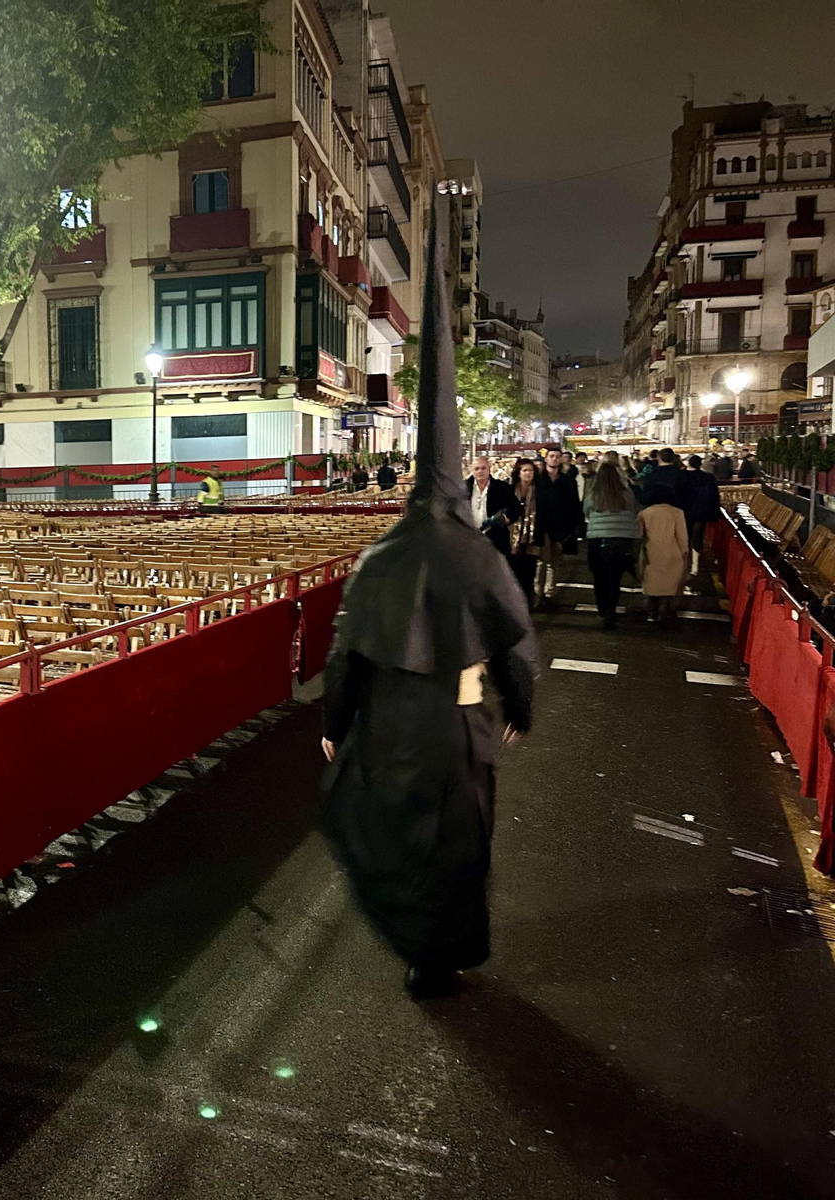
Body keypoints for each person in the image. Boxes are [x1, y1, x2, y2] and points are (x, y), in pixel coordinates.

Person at [321, 192, 536, 1000]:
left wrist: (335, 725)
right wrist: (520, 707)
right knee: (458, 840)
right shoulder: (476, 553)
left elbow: (344, 651)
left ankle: (418, 948)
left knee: (407, 838)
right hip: (463, 717)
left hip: (396, 723)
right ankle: (439, 954)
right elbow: (515, 641)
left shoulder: (382, 554)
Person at [582, 461, 641, 628]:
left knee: (599, 578)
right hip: (621, 538)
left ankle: (603, 610)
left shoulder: (593, 494)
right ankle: (611, 609)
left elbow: (586, 510)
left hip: (598, 538)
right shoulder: (626, 494)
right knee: (615, 578)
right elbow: (634, 510)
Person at [533, 448, 581, 604]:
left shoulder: (568, 481)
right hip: (542, 524)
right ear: (546, 459)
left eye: (557, 457)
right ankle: (537, 592)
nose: (554, 459)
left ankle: (549, 592)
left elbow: (573, 504)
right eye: (551, 456)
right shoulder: (538, 480)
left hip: (560, 526)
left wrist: (572, 527)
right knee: (541, 560)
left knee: (555, 560)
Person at [639, 487, 690, 623]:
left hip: (651, 553)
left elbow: (640, 535)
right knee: (669, 586)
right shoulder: (677, 513)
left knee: (651, 584)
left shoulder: (644, 513)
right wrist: (684, 553)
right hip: (672, 554)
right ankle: (665, 611)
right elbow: (682, 537)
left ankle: (651, 612)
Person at [465, 456, 521, 560]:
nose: (480, 471)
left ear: (489, 468)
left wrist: (504, 518)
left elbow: (516, 509)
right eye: (477, 469)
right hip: (469, 540)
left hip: (496, 541)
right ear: (472, 470)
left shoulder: (502, 488)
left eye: (483, 468)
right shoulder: (462, 489)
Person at [676, 454, 722, 574]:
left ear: (689, 463)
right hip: (701, 512)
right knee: (697, 537)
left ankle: (684, 564)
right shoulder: (708, 478)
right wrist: (715, 513)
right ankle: (695, 566)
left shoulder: (681, 477)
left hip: (684, 512)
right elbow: (714, 497)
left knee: (684, 538)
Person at [507, 459, 544, 604]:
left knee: (529, 572)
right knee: (514, 571)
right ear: (518, 473)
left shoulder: (539, 491)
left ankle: (527, 602)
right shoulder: (509, 490)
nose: (528, 473)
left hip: (532, 538)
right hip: (512, 538)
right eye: (525, 470)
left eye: (531, 470)